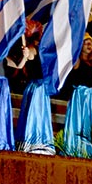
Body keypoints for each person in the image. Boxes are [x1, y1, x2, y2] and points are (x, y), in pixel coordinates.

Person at [62, 30, 92, 157]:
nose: (90, 46)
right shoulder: (77, 62)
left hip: (90, 100)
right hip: (80, 98)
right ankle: (75, 149)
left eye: (91, 43)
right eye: (86, 43)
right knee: (78, 123)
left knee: (89, 126)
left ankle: (87, 151)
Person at [14, 20, 56, 154]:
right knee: (35, 114)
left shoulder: (42, 50)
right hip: (36, 88)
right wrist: (25, 56)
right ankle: (32, 142)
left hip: (42, 88)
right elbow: (24, 62)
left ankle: (41, 142)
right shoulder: (32, 49)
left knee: (41, 115)